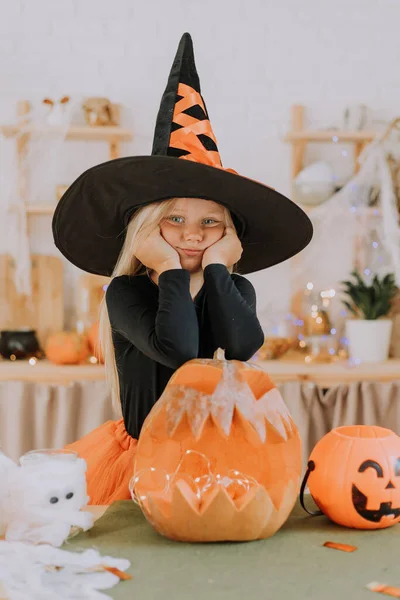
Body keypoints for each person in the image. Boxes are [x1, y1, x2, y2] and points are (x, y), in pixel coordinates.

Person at [52, 33, 313, 505]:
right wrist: (171, 270)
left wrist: (218, 271)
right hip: (145, 465)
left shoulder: (233, 288)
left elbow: (242, 344)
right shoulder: (126, 293)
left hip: (220, 462)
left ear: (228, 235)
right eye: (175, 220)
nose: (193, 234)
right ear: (149, 228)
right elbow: (178, 349)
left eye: (210, 223)